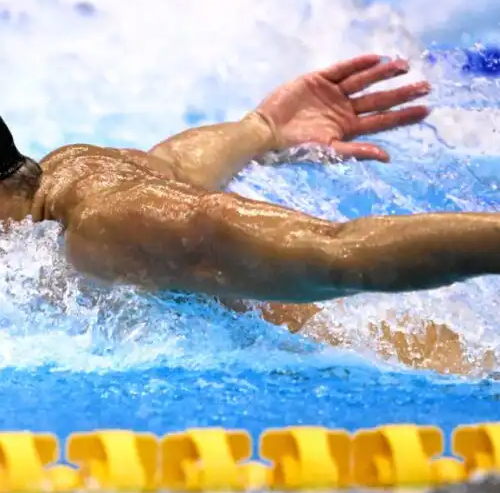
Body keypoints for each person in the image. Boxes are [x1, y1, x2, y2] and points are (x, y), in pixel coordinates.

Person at [0, 54, 497, 374]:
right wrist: (261, 128)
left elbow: (337, 251)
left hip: (426, 372)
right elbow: (172, 164)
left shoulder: (106, 224)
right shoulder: (66, 179)